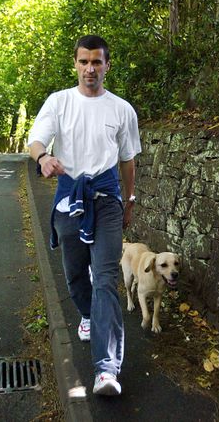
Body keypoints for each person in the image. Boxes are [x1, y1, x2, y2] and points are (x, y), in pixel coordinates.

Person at [28, 35, 141, 396]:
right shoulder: (59, 102)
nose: (90, 68)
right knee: (76, 275)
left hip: (107, 200)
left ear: (107, 66)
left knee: (106, 278)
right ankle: (89, 316)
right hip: (69, 201)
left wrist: (130, 198)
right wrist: (43, 157)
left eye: (96, 62)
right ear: (75, 64)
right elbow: (36, 140)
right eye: (83, 62)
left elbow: (127, 159)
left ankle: (107, 370)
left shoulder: (122, 109)